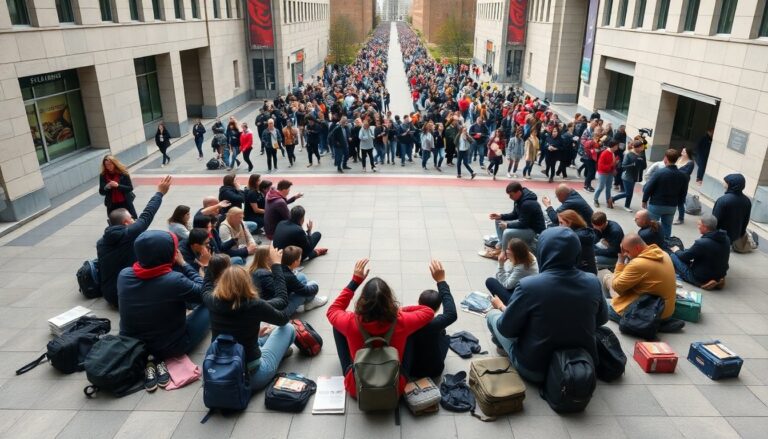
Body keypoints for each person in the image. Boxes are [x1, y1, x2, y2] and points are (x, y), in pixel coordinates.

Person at [486, 227, 608, 384]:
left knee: (492, 316)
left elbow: (506, 329)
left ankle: (505, 350)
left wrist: (502, 308)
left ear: (543, 251)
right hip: (581, 365)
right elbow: (601, 320)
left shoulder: (528, 286)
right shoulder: (592, 281)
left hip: (536, 369)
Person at [326, 259, 435, 399]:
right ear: (389, 300)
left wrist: (355, 281)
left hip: (357, 389)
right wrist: (398, 311)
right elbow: (428, 311)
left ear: (362, 300)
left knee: (338, 327)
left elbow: (332, 310)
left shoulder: (349, 322)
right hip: (395, 388)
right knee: (410, 332)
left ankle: (352, 371)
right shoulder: (403, 321)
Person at [203, 247, 296, 393]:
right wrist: (277, 265)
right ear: (247, 283)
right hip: (251, 377)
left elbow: (206, 285)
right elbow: (283, 307)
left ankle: (267, 345)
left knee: (261, 333)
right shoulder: (255, 305)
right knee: (288, 329)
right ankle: (277, 352)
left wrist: (211, 262)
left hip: (219, 369)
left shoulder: (212, 300)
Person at [118, 230, 209, 360]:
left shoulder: (124, 275)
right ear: (169, 253)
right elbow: (205, 292)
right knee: (209, 305)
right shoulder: (174, 280)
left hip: (131, 345)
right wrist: (188, 264)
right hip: (168, 348)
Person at [97, 176, 172, 307]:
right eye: (132, 218)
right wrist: (160, 193)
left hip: (109, 294)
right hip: (126, 295)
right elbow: (147, 214)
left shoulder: (101, 242)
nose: (134, 220)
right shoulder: (128, 233)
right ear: (126, 223)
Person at [600, 234, 676, 322]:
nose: (624, 254)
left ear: (637, 248)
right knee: (608, 278)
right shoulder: (663, 253)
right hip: (666, 310)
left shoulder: (639, 263)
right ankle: (613, 301)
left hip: (648, 314)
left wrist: (620, 260)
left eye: (627, 251)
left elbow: (617, 287)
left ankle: (612, 306)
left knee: (598, 302)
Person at [403, 261, 457, 379]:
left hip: (410, 369)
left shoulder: (407, 320)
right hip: (433, 370)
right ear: (438, 308)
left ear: (419, 303)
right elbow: (451, 313)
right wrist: (441, 281)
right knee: (444, 335)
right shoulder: (434, 324)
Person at [669, 215, 730, 290]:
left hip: (699, 277)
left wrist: (676, 250)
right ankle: (717, 280)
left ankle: (703, 282)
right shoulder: (726, 238)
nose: (697, 227)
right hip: (719, 274)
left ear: (705, 227)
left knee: (673, 256)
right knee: (686, 253)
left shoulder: (702, 243)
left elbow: (684, 257)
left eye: (699, 224)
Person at [486, 182, 546, 257]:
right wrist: (501, 216)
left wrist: (508, 225)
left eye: (511, 195)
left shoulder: (527, 204)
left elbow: (523, 224)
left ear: (518, 192)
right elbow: (515, 214)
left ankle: (503, 254)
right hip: (526, 225)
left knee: (507, 232)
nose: (510, 197)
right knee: (498, 221)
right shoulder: (519, 199)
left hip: (534, 230)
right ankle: (502, 245)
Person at [642, 149, 689, 239]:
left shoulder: (660, 172)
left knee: (651, 226)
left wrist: (644, 200)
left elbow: (649, 187)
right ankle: (665, 243)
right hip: (671, 206)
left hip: (656, 204)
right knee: (667, 226)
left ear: (666, 158)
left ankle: (649, 243)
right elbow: (683, 192)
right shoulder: (683, 176)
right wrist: (679, 204)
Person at [485, 238, 538, 304]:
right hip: (524, 291)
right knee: (498, 278)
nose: (506, 251)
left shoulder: (521, 268)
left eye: (508, 249)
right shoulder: (527, 256)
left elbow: (507, 285)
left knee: (490, 281)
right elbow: (508, 273)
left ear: (515, 253)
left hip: (519, 300)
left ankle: (502, 305)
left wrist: (501, 264)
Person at [713, 174, 753, 250]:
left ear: (731, 184)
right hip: (735, 235)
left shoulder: (723, 200)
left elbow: (715, 219)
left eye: (726, 182)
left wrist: (710, 233)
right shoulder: (747, 201)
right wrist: (741, 233)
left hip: (719, 234)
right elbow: (746, 219)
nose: (723, 184)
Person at [557, 209, 597, 274]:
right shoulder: (584, 231)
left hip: (582, 274)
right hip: (589, 271)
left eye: (561, 223)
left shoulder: (573, 237)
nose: (559, 226)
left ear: (570, 222)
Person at [611, 140, 646, 212]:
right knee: (628, 193)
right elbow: (623, 166)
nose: (642, 149)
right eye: (641, 147)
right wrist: (633, 164)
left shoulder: (641, 154)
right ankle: (613, 199)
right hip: (627, 176)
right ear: (636, 147)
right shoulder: (629, 154)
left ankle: (626, 205)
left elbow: (644, 166)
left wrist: (642, 163)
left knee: (629, 193)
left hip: (635, 177)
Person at [594, 141, 619, 208]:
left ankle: (608, 200)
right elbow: (601, 166)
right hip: (603, 172)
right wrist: (611, 166)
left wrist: (614, 168)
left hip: (609, 172)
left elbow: (612, 163)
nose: (618, 147)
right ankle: (595, 199)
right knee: (601, 187)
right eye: (616, 146)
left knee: (609, 187)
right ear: (613, 146)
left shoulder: (612, 153)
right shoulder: (605, 153)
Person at [674, 147, 695, 225]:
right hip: (674, 182)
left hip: (683, 184)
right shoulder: (679, 158)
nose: (682, 152)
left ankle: (681, 218)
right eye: (682, 151)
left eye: (684, 152)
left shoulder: (690, 163)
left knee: (680, 202)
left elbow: (686, 173)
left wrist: (675, 172)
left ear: (688, 154)